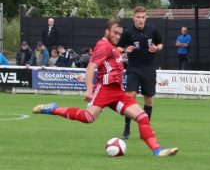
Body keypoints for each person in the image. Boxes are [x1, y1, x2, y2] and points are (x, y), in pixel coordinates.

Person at [32, 19, 178, 157]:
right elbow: (91, 67)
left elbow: (112, 60)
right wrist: (89, 90)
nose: (118, 36)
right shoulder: (103, 45)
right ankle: (52, 109)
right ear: (107, 31)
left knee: (142, 117)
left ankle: (157, 150)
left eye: (120, 33)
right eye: (115, 32)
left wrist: (123, 52)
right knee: (88, 118)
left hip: (117, 92)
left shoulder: (112, 47)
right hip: (105, 90)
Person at [117, 6, 163, 140]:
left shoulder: (152, 30)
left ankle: (145, 129)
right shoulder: (128, 32)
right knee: (130, 97)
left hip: (149, 69)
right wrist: (125, 50)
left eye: (143, 17)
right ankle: (127, 127)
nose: (140, 20)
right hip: (134, 68)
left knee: (148, 99)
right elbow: (118, 47)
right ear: (133, 18)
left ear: (146, 18)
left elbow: (160, 43)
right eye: (138, 17)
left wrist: (157, 48)